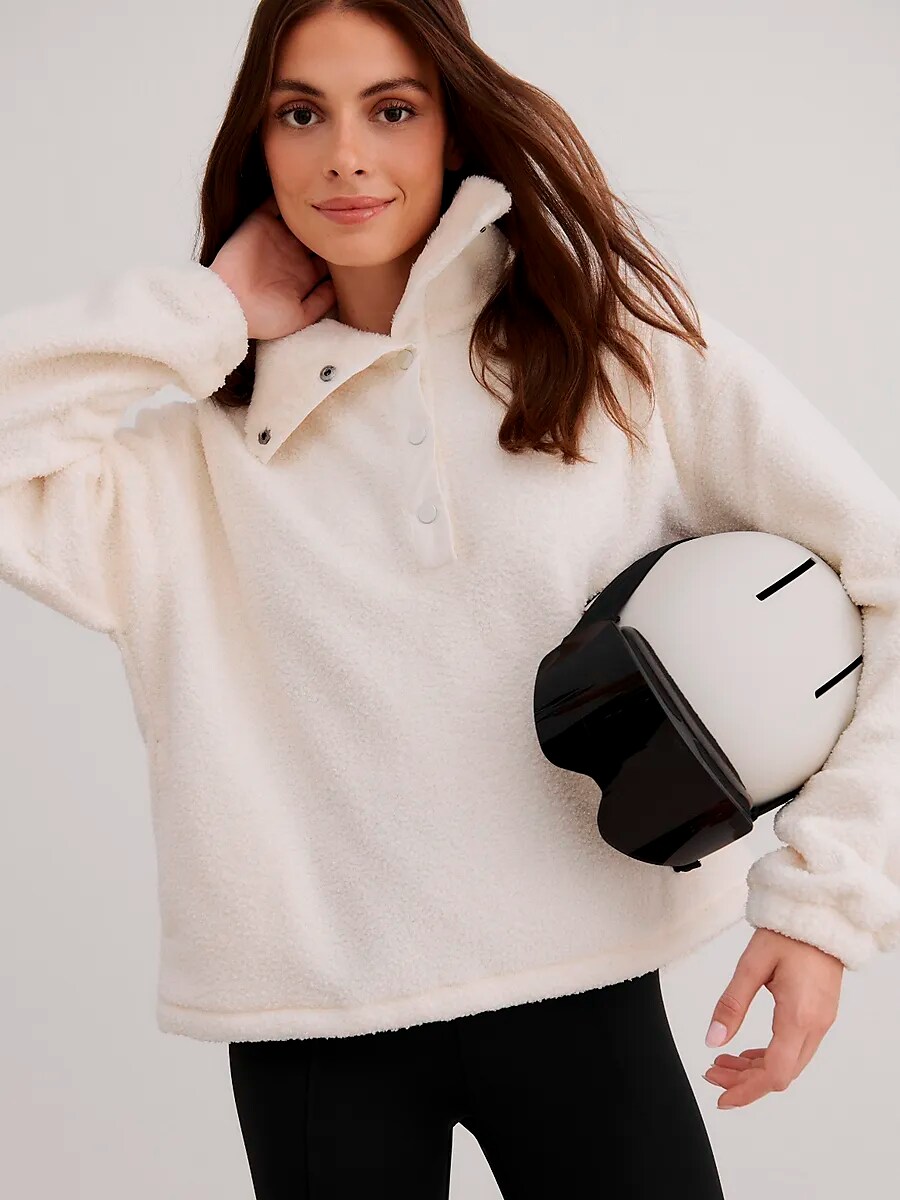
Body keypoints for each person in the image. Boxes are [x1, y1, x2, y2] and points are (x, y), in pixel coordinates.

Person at [5, 0, 898, 1196]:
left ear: (455, 128)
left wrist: (825, 904)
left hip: (584, 989)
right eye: (300, 113)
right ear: (256, 144)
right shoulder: (186, 466)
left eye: (392, 109)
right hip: (312, 1030)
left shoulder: (613, 358)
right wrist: (200, 314)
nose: (345, 155)